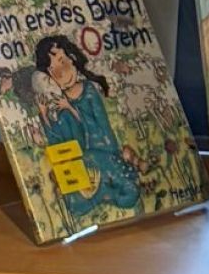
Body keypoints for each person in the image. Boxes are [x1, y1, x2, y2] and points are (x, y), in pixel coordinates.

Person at [29, 30, 141, 215]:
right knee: (75, 205)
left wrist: (72, 109)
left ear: (72, 59)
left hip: (103, 152)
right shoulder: (59, 104)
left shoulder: (88, 90)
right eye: (54, 68)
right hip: (81, 160)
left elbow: (102, 125)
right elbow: (59, 140)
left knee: (129, 192)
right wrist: (44, 115)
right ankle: (101, 194)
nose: (63, 71)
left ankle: (105, 193)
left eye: (64, 60)